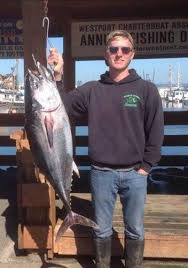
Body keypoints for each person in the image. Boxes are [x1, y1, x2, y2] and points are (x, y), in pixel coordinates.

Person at [48, 30, 164, 268]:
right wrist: (58, 76)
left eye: (124, 50)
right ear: (106, 54)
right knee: (100, 231)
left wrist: (147, 166)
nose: (119, 54)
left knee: (135, 230)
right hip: (101, 173)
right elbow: (62, 108)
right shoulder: (91, 90)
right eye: (113, 49)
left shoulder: (147, 90)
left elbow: (156, 130)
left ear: (132, 54)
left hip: (135, 174)